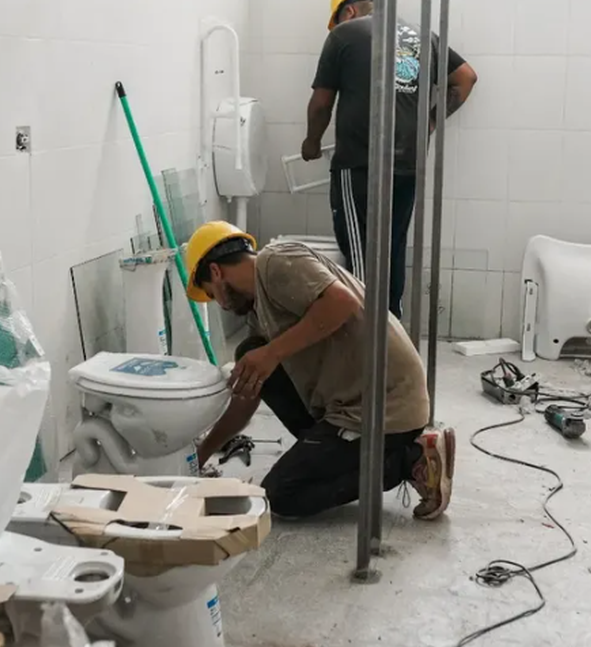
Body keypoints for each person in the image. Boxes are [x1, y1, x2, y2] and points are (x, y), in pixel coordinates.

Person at [185, 220, 454, 520]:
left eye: (210, 294)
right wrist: (203, 450)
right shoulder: (259, 308)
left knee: (283, 494)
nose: (218, 304)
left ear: (216, 272)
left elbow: (342, 303)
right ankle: (342, 452)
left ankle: (409, 459)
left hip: (388, 406)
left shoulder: (276, 262)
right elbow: (250, 391)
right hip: (353, 400)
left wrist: (272, 353)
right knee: (250, 354)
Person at [302, 0, 478, 319]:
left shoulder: (344, 34)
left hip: (360, 164)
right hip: (410, 164)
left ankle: (366, 340)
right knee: (393, 249)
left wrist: (311, 143)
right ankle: (391, 332)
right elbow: (466, 78)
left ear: (348, 11)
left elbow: (321, 104)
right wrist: (430, 121)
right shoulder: (421, 35)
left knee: (360, 255)